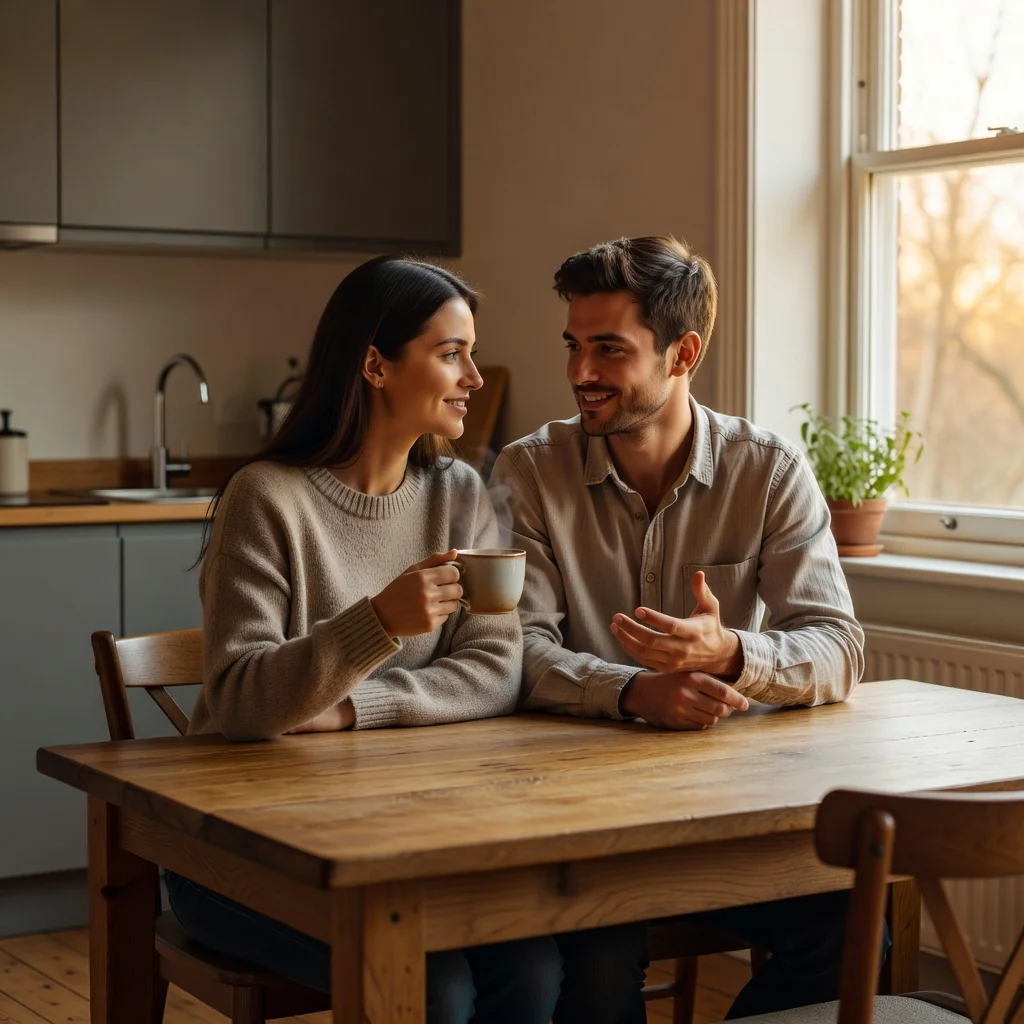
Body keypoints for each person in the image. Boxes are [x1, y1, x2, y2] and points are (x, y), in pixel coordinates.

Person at [166, 255, 562, 1024]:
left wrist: (353, 709)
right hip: (244, 859)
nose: (474, 377)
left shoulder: (458, 494)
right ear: (376, 364)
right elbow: (244, 702)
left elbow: (496, 671)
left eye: (471, 353)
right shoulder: (267, 499)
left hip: (405, 839)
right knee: (435, 986)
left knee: (538, 965)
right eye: (452, 353)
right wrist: (377, 623)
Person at [489, 236, 868, 1023]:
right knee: (595, 966)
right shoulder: (529, 472)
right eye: (574, 346)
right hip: (576, 821)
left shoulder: (768, 470)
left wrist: (734, 653)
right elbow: (509, 652)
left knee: (857, 936)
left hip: (725, 818)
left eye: (609, 350)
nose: (580, 374)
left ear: (683, 352)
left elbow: (838, 646)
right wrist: (634, 693)